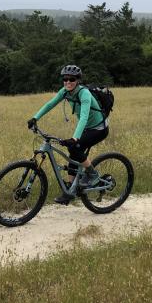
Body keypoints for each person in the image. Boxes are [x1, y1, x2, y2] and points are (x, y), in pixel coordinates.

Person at [27, 64, 109, 205]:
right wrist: (35, 118)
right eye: (65, 79)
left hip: (99, 128)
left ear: (78, 80)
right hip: (87, 128)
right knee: (73, 152)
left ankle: (93, 175)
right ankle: (69, 191)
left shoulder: (84, 93)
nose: (68, 82)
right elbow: (50, 104)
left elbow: (83, 116)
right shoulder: (64, 91)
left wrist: (74, 138)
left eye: (71, 79)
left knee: (75, 147)